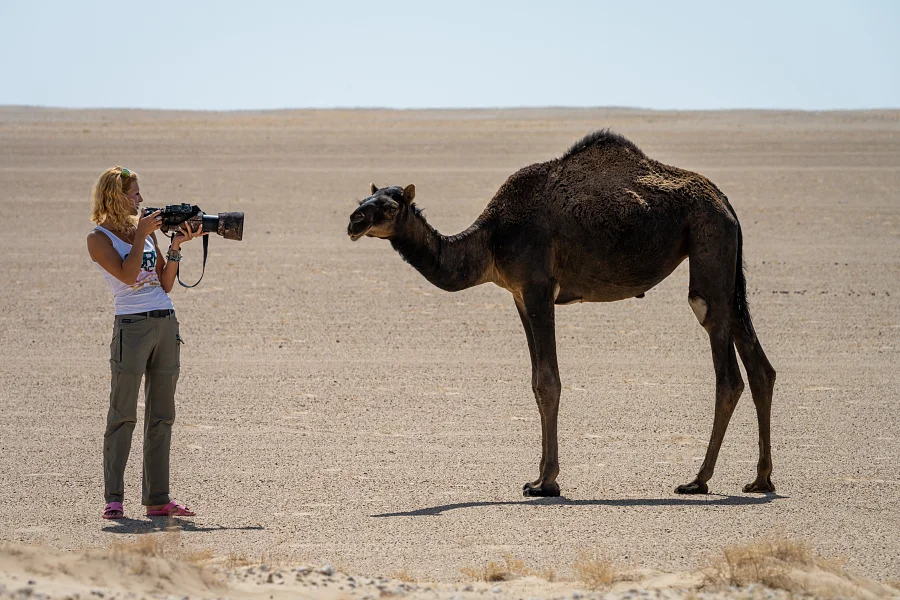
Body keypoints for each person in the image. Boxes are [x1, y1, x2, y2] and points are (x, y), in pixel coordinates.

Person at [87, 165, 206, 519]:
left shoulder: (146, 231)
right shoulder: (99, 238)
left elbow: (165, 284)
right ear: (115, 196)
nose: (140, 199)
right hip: (132, 326)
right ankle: (114, 498)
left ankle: (158, 498)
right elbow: (126, 273)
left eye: (139, 193)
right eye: (134, 193)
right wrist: (140, 234)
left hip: (164, 322)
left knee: (162, 414)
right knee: (123, 414)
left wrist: (176, 246)